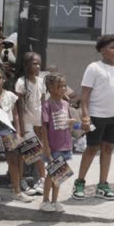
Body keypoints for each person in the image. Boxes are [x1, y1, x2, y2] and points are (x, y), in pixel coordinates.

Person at [72, 35, 114, 201]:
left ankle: (102, 185)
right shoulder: (93, 68)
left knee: (108, 149)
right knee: (92, 149)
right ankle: (79, 183)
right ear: (102, 50)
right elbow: (85, 95)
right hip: (96, 116)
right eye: (112, 47)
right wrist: (86, 117)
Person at [0, 68, 29, 204]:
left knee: (13, 160)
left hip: (8, 131)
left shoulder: (10, 95)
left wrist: (19, 133)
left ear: (4, 80)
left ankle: (17, 191)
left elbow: (15, 115)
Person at [39, 74, 74, 213]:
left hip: (65, 144)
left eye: (65, 85)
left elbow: (67, 123)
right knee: (51, 174)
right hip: (53, 146)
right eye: (60, 86)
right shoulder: (47, 105)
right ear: (51, 88)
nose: (64, 88)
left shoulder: (66, 104)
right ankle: (45, 201)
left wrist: (72, 124)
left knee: (59, 174)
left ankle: (54, 201)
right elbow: (44, 127)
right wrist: (46, 146)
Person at [16, 51, 47, 196]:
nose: (38, 66)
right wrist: (21, 127)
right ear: (26, 64)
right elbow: (19, 107)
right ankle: (23, 179)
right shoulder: (21, 82)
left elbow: (43, 103)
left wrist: (44, 124)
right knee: (31, 152)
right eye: (34, 63)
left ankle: (41, 180)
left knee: (36, 151)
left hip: (38, 122)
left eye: (39, 64)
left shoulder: (41, 82)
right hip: (26, 122)